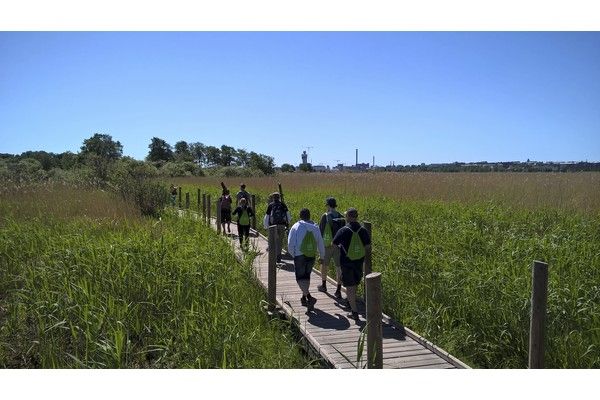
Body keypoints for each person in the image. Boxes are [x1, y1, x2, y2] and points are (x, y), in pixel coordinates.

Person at [332, 208, 371, 321]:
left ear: (348, 217)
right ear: (356, 217)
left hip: (347, 262)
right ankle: (351, 302)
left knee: (349, 287)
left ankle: (354, 311)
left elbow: (334, 244)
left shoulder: (343, 230)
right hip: (359, 262)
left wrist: (342, 247)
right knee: (355, 284)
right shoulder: (363, 230)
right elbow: (368, 246)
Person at [287, 208, 325, 312]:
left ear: (300, 215)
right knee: (306, 276)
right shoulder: (315, 227)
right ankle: (304, 298)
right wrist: (322, 256)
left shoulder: (296, 226)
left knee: (300, 278)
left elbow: (290, 244)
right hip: (311, 255)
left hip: (299, 255)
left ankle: (309, 297)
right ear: (309, 216)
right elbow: (320, 243)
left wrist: (293, 254)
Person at [318, 197, 346, 299]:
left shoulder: (325, 216)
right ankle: (338, 290)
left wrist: (319, 247)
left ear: (328, 205)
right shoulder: (341, 217)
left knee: (324, 265)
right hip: (339, 246)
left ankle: (324, 285)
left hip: (327, 245)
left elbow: (321, 232)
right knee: (339, 268)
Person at [263, 192, 291, 263]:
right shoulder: (283, 205)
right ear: (279, 197)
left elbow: (267, 217)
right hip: (282, 225)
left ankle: (274, 255)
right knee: (279, 241)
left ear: (273, 198)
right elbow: (288, 216)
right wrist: (287, 224)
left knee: (273, 240)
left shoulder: (271, 205)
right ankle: (279, 255)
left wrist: (266, 226)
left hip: (273, 226)